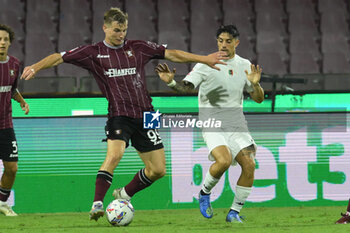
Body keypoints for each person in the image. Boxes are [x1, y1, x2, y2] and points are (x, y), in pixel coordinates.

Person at [20, 7, 228, 221]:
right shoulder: (93, 53)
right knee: (115, 154)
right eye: (117, 30)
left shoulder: (138, 47)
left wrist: (204, 59)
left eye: (124, 30)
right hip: (119, 114)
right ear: (105, 28)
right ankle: (97, 204)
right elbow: (58, 57)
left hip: (148, 114)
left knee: (158, 170)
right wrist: (35, 67)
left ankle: (125, 194)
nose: (121, 35)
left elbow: (172, 54)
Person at [156, 25, 264, 223]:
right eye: (220, 40)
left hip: (236, 123)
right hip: (212, 121)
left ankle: (234, 213)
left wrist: (255, 84)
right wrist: (172, 83)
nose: (223, 45)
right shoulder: (205, 64)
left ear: (236, 43)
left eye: (228, 41)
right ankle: (204, 193)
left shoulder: (245, 65)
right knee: (223, 160)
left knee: (249, 164)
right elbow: (186, 88)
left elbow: (259, 99)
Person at [0, 24, 30, 216]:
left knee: (12, 168)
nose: (1, 43)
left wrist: (22, 101)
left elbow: (12, 89)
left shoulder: (14, 64)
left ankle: (2, 203)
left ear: (10, 43)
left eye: (5, 40)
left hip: (5, 125)